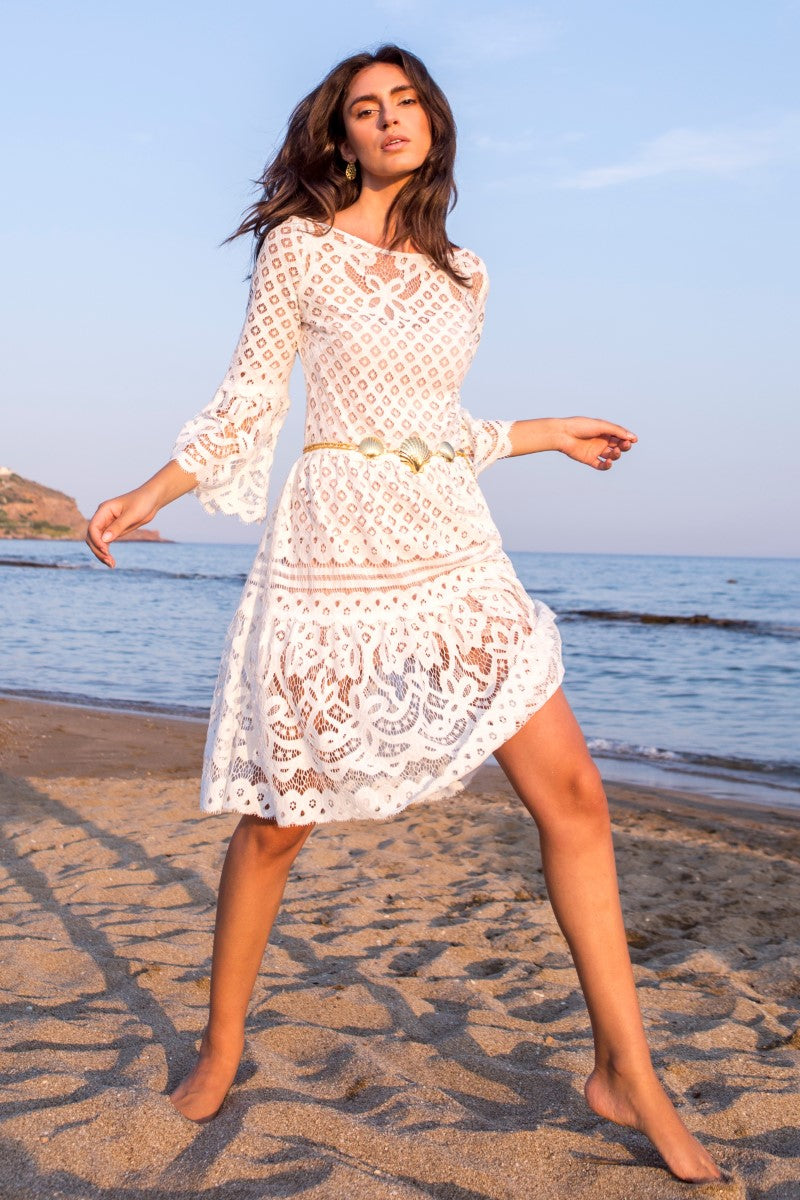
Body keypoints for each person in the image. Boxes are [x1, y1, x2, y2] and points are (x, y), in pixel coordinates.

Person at [86, 44, 724, 1185]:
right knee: (282, 817)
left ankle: (624, 1070)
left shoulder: (464, 273)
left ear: (431, 123)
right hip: (332, 539)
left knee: (574, 796)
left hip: (449, 544)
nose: (391, 121)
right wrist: (150, 492)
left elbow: (433, 425)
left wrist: (542, 431)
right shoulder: (299, 250)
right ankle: (223, 1042)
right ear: (339, 136)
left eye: (407, 103)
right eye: (367, 109)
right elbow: (249, 399)